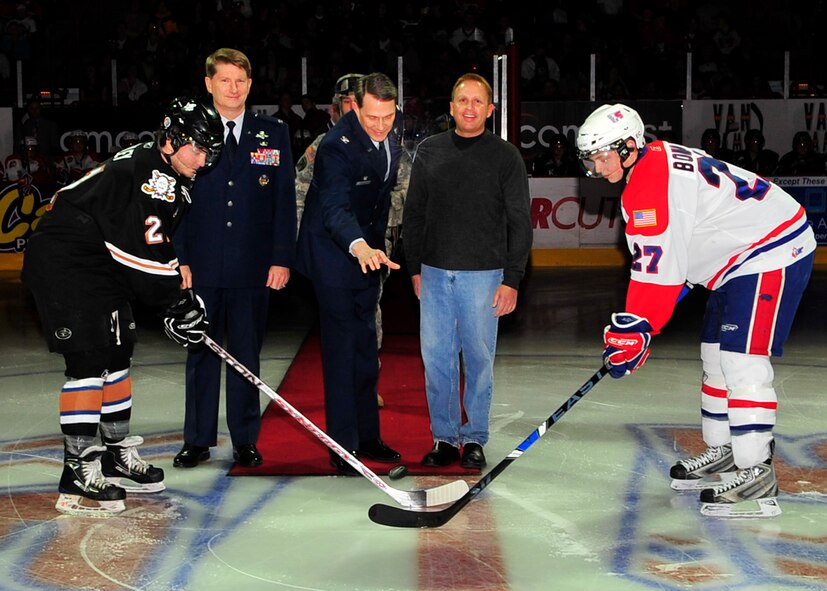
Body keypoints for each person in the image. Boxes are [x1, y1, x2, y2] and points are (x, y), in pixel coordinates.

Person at [576, 103, 816, 516]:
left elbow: (657, 276)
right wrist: (647, 316)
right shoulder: (656, 158)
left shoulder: (647, 187)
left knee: (742, 362)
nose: (597, 167)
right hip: (735, 260)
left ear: (630, 146)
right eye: (592, 160)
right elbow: (680, 244)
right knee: (714, 358)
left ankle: (756, 471)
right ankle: (726, 450)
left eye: (603, 156)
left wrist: (637, 329)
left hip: (770, 252)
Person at [20, 96, 223, 516]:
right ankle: (77, 472)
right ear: (172, 140)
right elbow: (138, 253)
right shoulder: (155, 177)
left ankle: (114, 455)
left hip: (100, 261)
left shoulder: (168, 168)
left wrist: (174, 291)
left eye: (209, 152)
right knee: (89, 361)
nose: (203, 161)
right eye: (197, 149)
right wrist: (175, 304)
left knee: (117, 354)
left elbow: (151, 243)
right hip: (67, 263)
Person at [172, 48, 296, 469]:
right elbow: (178, 201)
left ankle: (245, 438)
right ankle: (198, 439)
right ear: (209, 84)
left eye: (240, 80)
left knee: (246, 355)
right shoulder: (189, 131)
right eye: (224, 80)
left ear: (250, 84)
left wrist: (282, 258)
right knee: (201, 353)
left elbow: (283, 201)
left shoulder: (272, 133)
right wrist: (180, 258)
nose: (233, 88)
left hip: (252, 266)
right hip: (201, 265)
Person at [403, 73, 533, 470]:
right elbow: (415, 214)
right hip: (435, 274)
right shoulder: (429, 151)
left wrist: (512, 279)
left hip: (485, 276)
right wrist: (414, 268)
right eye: (463, 100)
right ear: (451, 106)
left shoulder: (505, 156)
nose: (470, 108)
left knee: (478, 360)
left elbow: (520, 221)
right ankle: (444, 437)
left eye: (478, 102)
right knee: (437, 360)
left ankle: (474, 437)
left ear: (490, 110)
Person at [295, 72, 403, 474]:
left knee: (364, 350)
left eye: (387, 117)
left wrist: (374, 251)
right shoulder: (335, 147)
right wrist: (359, 246)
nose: (379, 125)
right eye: (372, 117)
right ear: (356, 106)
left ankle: (368, 436)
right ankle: (342, 449)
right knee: (341, 354)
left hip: (368, 258)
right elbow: (334, 208)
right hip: (334, 257)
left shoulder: (390, 134)